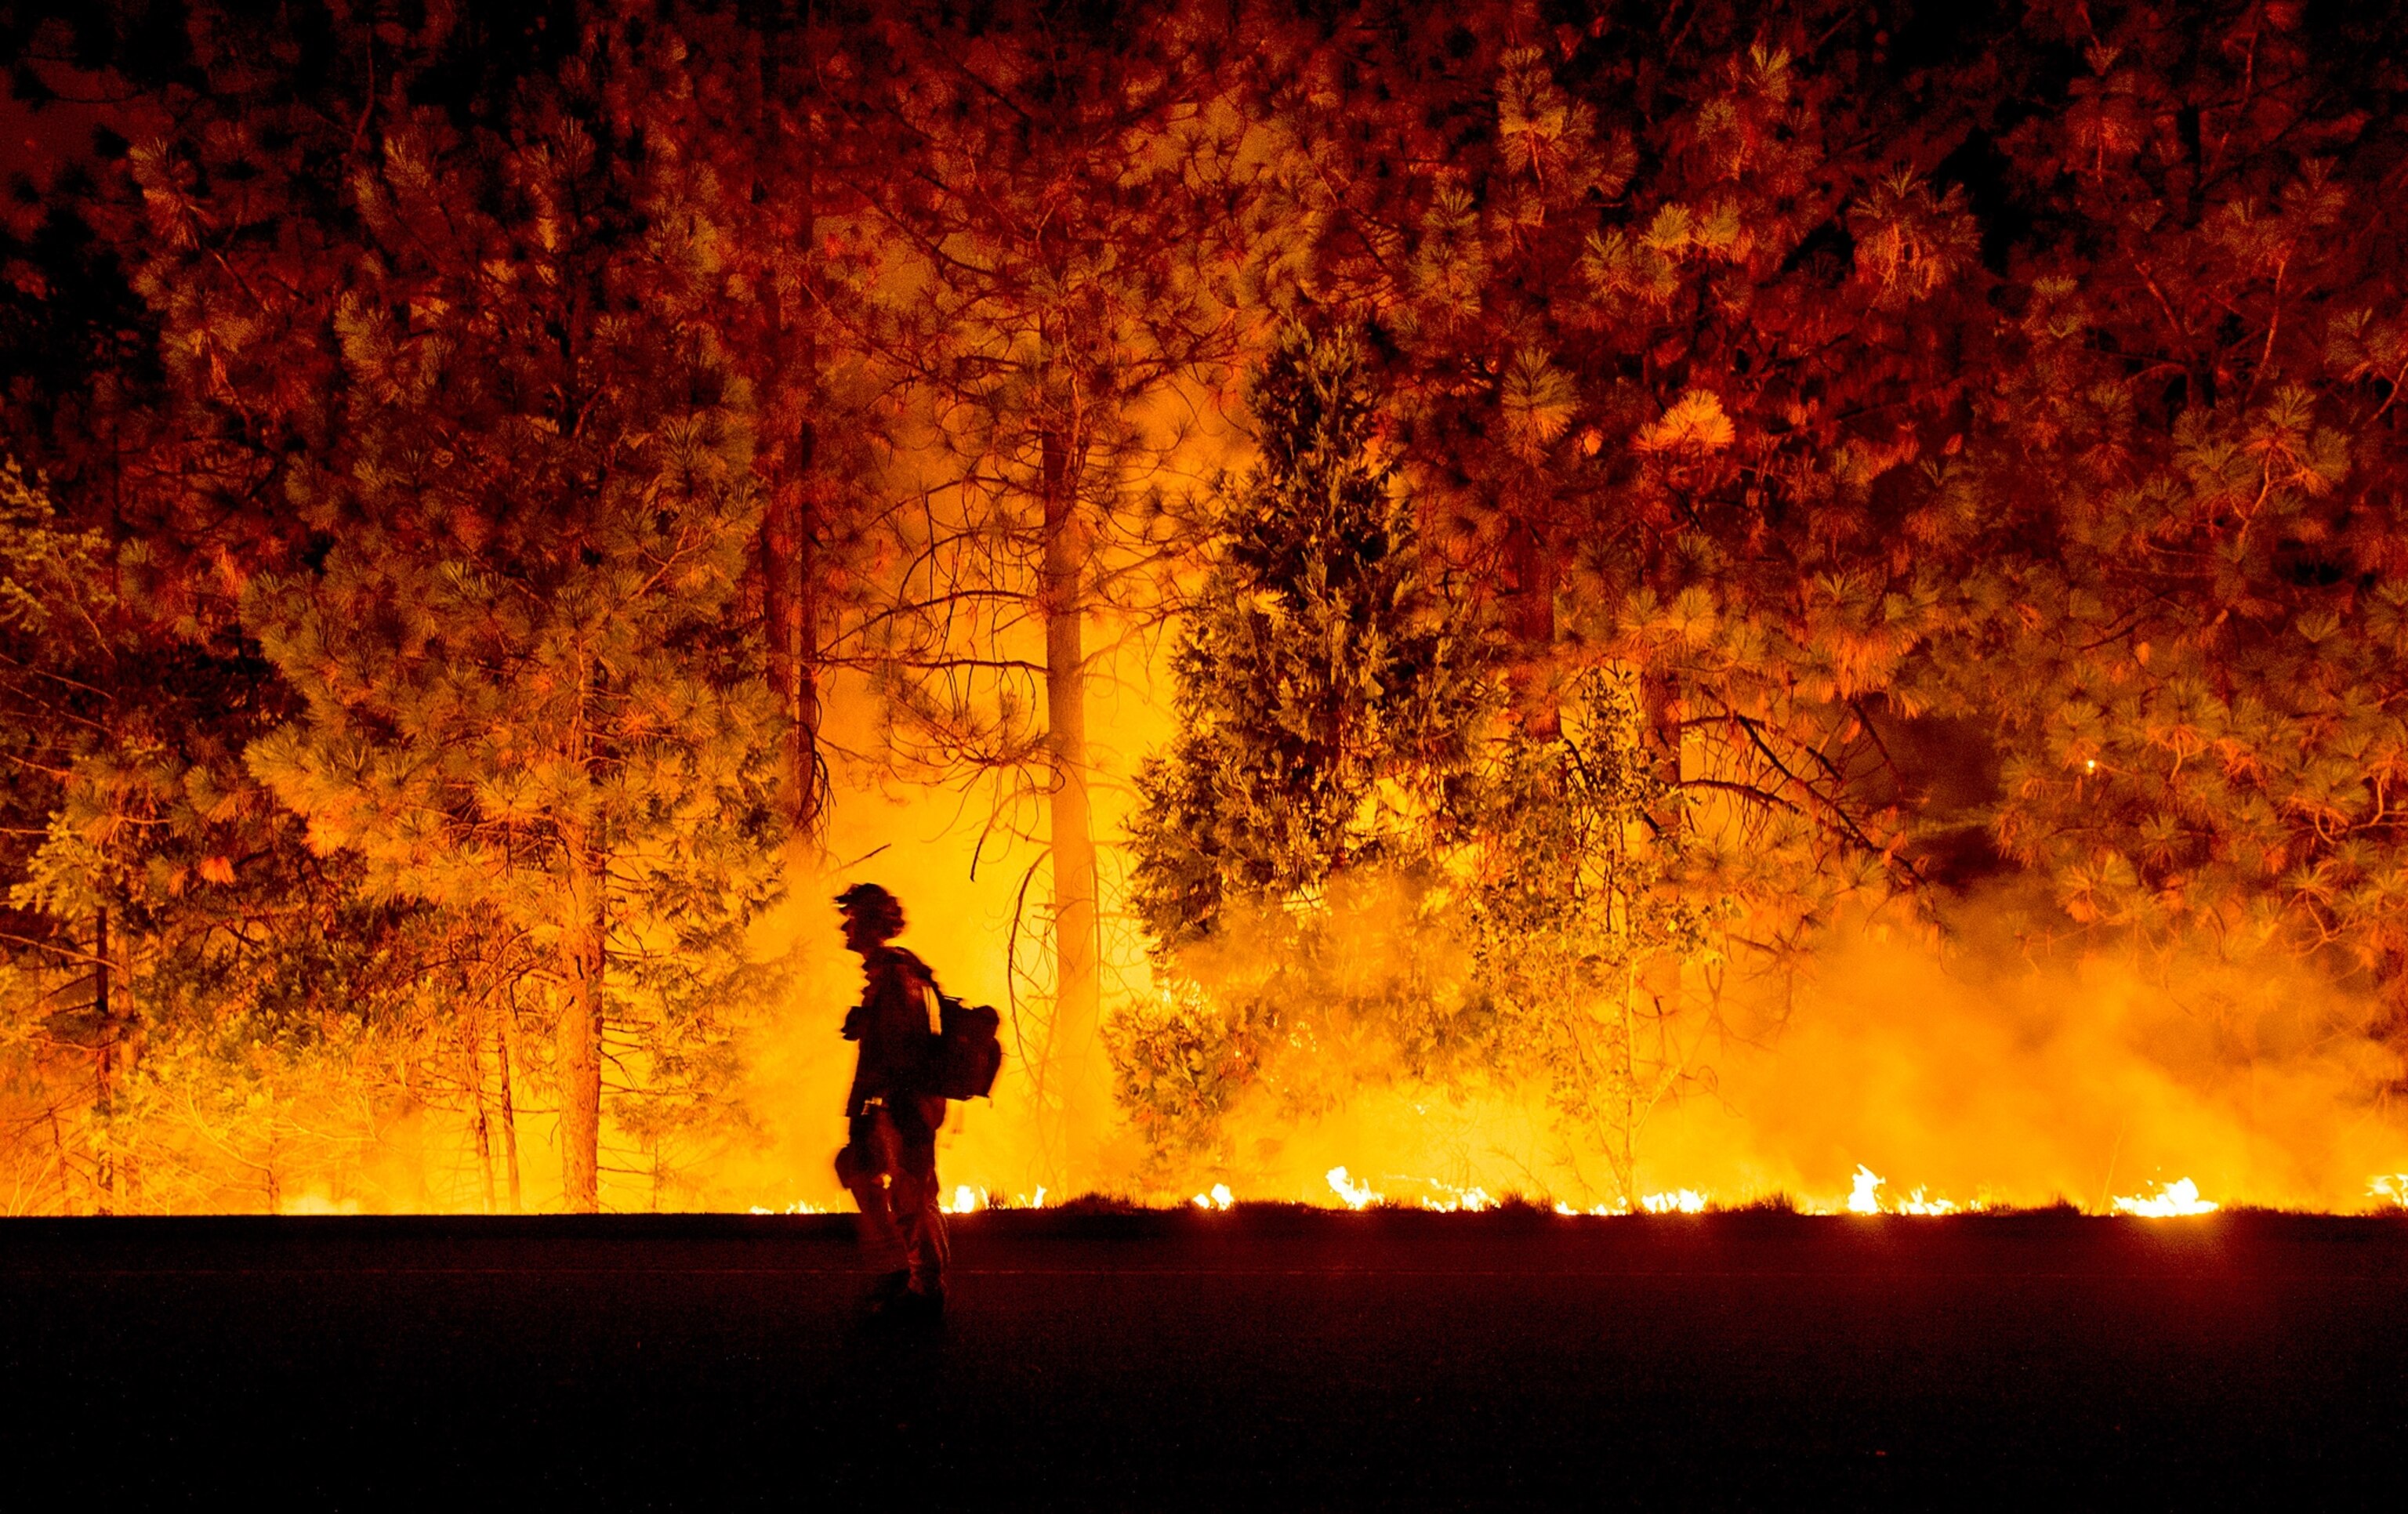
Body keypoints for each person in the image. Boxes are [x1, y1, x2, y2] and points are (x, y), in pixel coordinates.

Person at [832, 882, 951, 1322]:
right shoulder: (890, 975)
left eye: (854, 918)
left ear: (872, 924)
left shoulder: (897, 975)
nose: (847, 926)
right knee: (860, 1172)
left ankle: (924, 1290)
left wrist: (890, 1106)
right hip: (899, 1102)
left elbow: (903, 1048)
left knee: (911, 1196)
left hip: (905, 1103)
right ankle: (903, 1273)